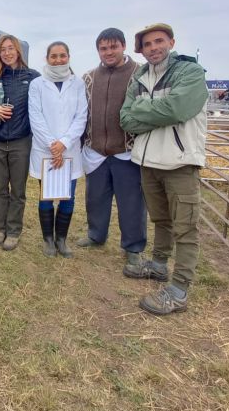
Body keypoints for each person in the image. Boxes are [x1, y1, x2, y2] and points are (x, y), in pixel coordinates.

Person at [120, 22, 208, 316]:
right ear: (141, 50)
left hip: (180, 162)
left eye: (159, 41)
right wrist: (160, 113)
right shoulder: (141, 77)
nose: (154, 47)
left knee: (185, 227)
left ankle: (179, 290)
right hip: (148, 161)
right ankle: (158, 266)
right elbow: (126, 119)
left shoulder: (190, 73)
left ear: (171, 41)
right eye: (147, 44)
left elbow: (178, 109)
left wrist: (147, 111)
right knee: (160, 219)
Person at [78, 28, 147, 272]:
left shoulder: (140, 74)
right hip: (95, 149)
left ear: (123, 46)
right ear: (98, 50)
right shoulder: (88, 77)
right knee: (95, 198)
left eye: (113, 47)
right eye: (103, 48)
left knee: (132, 202)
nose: (108, 52)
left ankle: (134, 247)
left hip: (126, 150)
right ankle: (96, 234)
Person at [0, 35, 40, 251]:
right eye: (3, 49)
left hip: (20, 141)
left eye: (10, 48)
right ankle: (0, 228)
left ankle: (13, 231)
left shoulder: (33, 77)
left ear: (18, 51)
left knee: (18, 190)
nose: (7, 53)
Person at [28, 41, 87, 258]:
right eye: (54, 56)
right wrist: (53, 146)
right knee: (46, 196)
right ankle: (48, 240)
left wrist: (64, 143)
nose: (58, 60)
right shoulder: (37, 84)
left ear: (69, 57)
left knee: (68, 197)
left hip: (69, 151)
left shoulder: (78, 84)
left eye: (62, 55)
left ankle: (62, 239)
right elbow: (36, 117)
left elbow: (81, 117)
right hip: (46, 151)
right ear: (47, 58)